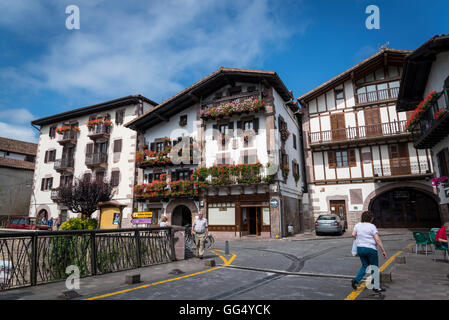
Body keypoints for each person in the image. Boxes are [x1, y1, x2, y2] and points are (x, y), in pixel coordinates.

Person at [351, 211, 387, 293]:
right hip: (370, 249)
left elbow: (353, 234)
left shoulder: (358, 225)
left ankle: (356, 280)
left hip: (360, 248)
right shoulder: (372, 226)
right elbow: (377, 239)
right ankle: (375, 287)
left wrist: (359, 239)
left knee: (365, 265)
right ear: (371, 218)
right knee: (374, 268)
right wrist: (383, 250)